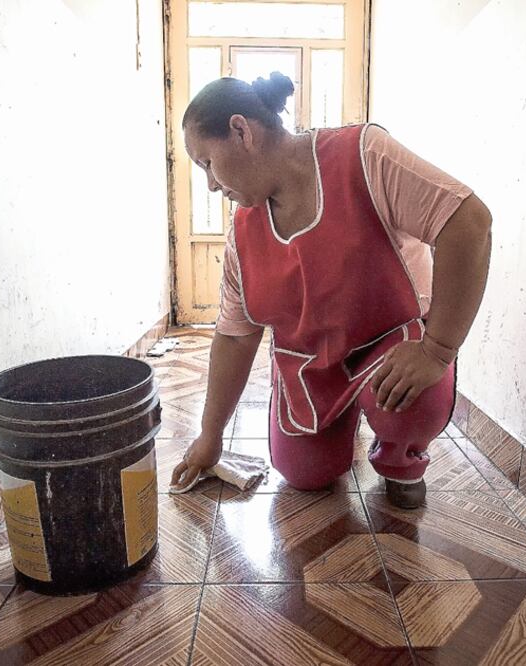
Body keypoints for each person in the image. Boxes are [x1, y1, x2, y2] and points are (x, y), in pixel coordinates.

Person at [169, 72, 492, 508]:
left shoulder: (363, 156)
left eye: (207, 162)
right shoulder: (242, 235)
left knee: (414, 404)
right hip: (312, 372)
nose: (209, 183)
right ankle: (338, 428)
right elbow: (233, 336)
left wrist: (437, 350)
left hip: (387, 354)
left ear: (241, 130)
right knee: (303, 474)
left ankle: (400, 458)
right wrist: (210, 437)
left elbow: (468, 223)